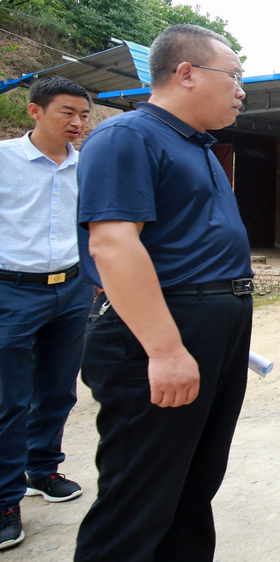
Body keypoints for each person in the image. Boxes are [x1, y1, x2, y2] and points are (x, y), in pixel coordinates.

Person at [73, 25, 253, 562]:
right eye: (235, 76)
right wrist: (165, 348)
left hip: (211, 329)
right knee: (140, 497)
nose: (242, 90)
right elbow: (112, 244)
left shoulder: (196, 146)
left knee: (193, 486)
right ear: (187, 73)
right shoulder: (129, 136)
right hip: (161, 332)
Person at [0, 76, 93, 551]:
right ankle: (4, 499)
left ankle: (42, 469)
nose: (77, 123)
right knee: (8, 399)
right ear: (35, 112)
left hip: (72, 290)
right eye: (67, 113)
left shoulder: (87, 167)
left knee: (58, 391)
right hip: (11, 290)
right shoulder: (3, 159)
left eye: (83, 115)